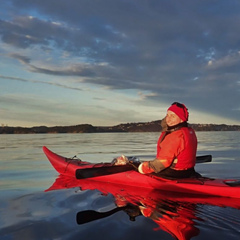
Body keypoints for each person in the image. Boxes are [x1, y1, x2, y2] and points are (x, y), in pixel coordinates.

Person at [115, 102, 198, 179]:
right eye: (167, 115)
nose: (168, 119)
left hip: (174, 174)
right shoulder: (189, 132)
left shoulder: (175, 136)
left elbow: (162, 163)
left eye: (173, 116)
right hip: (188, 171)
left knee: (138, 168)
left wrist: (140, 168)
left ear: (182, 120)